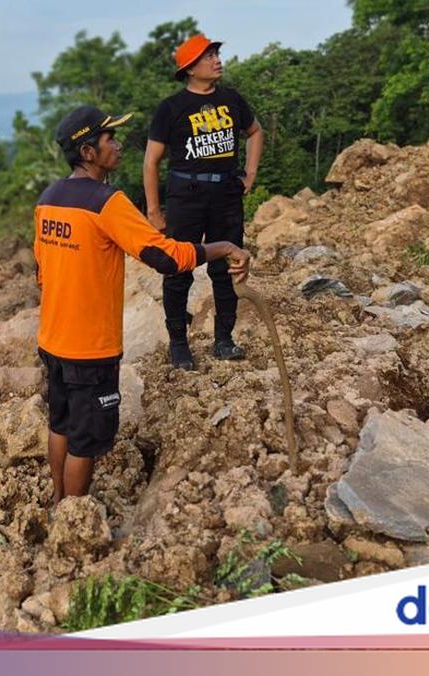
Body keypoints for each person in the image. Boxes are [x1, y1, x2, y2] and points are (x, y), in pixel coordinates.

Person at [35, 104, 251, 504]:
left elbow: (42, 271)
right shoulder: (107, 202)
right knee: (85, 440)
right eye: (109, 140)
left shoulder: (48, 199)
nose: (118, 146)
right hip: (90, 348)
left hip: (52, 339)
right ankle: (72, 516)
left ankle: (58, 501)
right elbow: (164, 257)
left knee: (61, 423)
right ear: (88, 153)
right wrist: (221, 246)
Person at [143, 34, 264, 370]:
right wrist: (154, 211)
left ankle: (224, 339)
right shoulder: (171, 108)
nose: (216, 59)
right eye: (208, 56)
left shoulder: (232, 99)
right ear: (190, 69)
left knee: (226, 267)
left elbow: (255, 132)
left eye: (216, 54)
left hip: (225, 194)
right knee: (179, 268)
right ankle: (178, 345)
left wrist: (250, 175)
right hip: (186, 196)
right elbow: (151, 161)